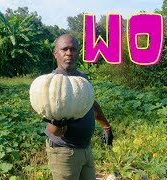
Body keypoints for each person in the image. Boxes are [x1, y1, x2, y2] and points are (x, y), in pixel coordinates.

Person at [44, 34, 113, 180]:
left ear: (78, 52)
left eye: (73, 49)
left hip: (86, 148)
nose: (69, 53)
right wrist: (59, 125)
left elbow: (92, 103)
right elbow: (53, 131)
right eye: (64, 49)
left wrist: (106, 126)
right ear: (55, 53)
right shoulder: (51, 85)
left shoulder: (82, 78)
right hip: (65, 153)